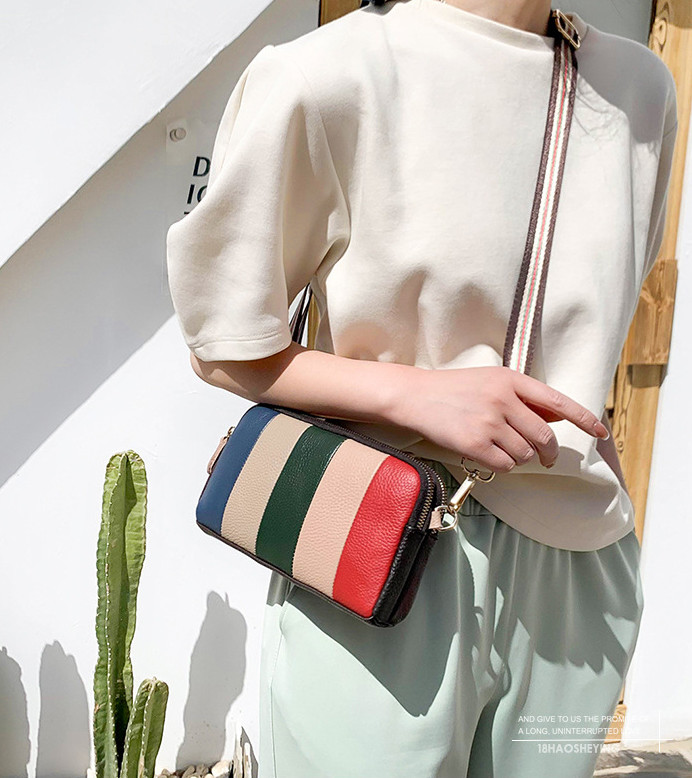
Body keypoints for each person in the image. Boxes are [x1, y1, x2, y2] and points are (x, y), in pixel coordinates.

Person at [166, 0, 679, 775]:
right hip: (380, 542)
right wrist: (417, 395)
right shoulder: (329, 76)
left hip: (581, 575)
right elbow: (224, 345)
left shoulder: (640, 88)